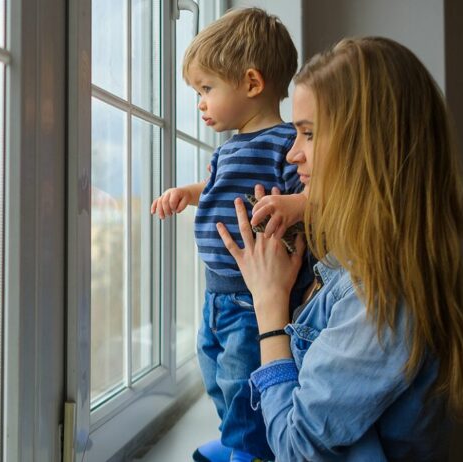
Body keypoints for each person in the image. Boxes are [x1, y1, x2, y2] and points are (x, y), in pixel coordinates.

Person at [216, 36, 463, 461]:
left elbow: (296, 449)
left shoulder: (380, 297)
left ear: (370, 146)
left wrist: (269, 307)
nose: (294, 154)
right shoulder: (366, 263)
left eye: (308, 134)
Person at [151, 8, 312, 462]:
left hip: (252, 295)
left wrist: (295, 205)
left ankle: (250, 451)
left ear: (252, 84)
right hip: (217, 292)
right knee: (215, 370)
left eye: (207, 89)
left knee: (243, 379)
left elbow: (315, 198)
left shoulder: (285, 142)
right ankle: (236, 437)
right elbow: (219, 190)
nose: (200, 102)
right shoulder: (230, 148)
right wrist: (188, 192)